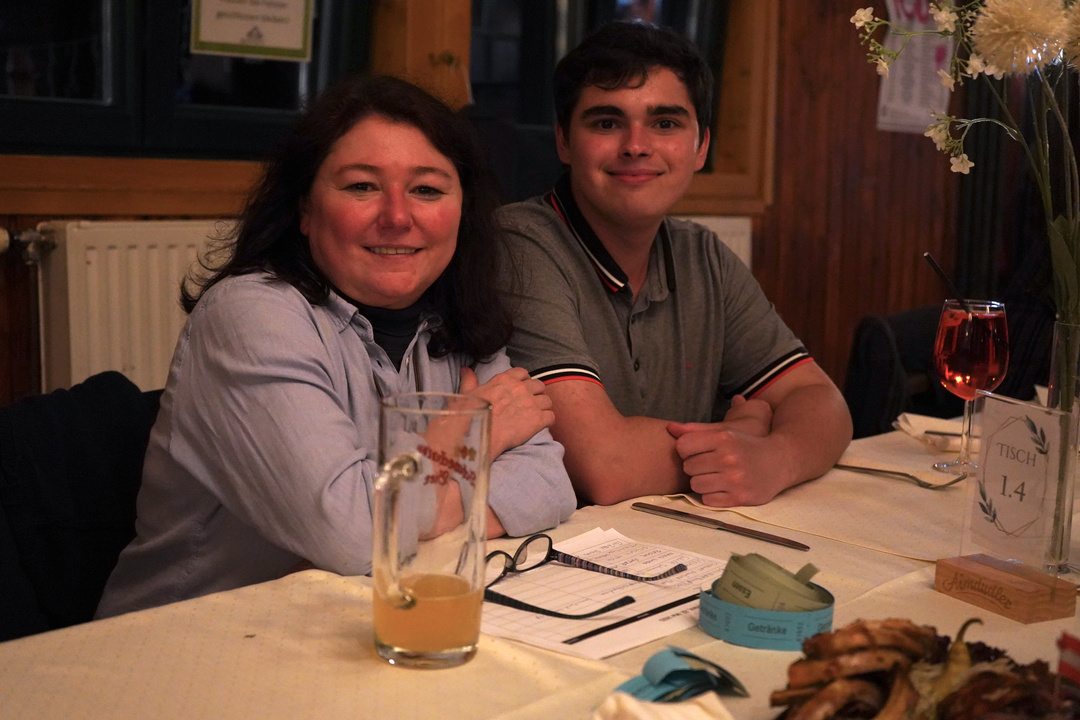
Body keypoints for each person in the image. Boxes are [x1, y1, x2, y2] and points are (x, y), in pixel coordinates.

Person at [96, 75, 577, 617]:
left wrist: (397, 510)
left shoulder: (464, 314)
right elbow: (350, 534)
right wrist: (467, 434)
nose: (397, 217)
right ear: (305, 208)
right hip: (189, 637)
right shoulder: (251, 315)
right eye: (362, 187)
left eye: (426, 190)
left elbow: (549, 483)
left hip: (358, 618)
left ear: (462, 209)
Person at [498, 22, 852, 508]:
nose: (636, 145)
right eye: (606, 123)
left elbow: (823, 402)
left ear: (701, 146)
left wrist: (773, 457)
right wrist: (738, 435)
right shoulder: (519, 245)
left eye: (665, 124)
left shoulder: (703, 255)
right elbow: (605, 467)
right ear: (563, 141)